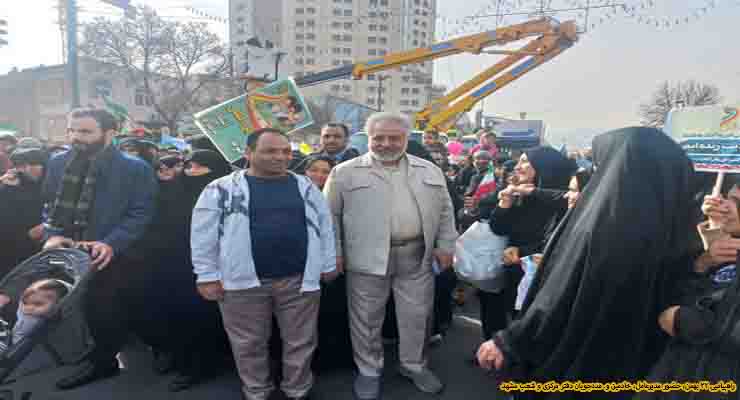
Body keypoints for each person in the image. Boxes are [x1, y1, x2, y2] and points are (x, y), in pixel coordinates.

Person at [477, 127, 697, 399]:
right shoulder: (681, 228)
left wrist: (510, 341)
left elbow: (562, 292)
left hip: (576, 362)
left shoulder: (604, 226)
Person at [191, 128, 337, 400]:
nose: (280, 157)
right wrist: (206, 275)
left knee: (301, 340)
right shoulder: (220, 189)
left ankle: (298, 389)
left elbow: (325, 226)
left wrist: (328, 263)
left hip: (299, 279)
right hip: (241, 281)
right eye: (270, 151)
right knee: (248, 343)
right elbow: (202, 235)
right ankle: (257, 391)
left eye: (285, 152)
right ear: (248, 153)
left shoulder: (304, 186)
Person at [323, 112, 458, 399]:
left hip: (416, 255)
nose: (386, 143)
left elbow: (446, 211)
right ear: (368, 138)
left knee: (417, 315)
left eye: (394, 137)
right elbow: (329, 219)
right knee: (366, 318)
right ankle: (369, 371)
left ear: (406, 138)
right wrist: (332, 254)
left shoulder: (429, 171)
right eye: (378, 138)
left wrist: (446, 245)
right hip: (365, 258)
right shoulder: (344, 172)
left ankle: (414, 365)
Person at [41, 108, 158, 390]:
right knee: (82, 307)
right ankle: (101, 355)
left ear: (110, 134)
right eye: (72, 130)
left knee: (104, 307)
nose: (75, 137)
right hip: (70, 251)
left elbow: (141, 213)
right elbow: (48, 205)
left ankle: (105, 362)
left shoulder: (135, 167)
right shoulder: (58, 162)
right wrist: (53, 234)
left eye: (85, 131)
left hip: (114, 253)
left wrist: (111, 243)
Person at [0, 149, 48, 280]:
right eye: (20, 165)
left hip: (43, 254)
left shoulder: (52, 187)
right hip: (11, 255)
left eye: (33, 164)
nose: (27, 169)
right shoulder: (8, 189)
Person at [0, 279, 70, 352]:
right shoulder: (22, 309)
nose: (28, 308)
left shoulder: (46, 322)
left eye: (37, 304)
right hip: (9, 336)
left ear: (57, 305)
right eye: (25, 302)